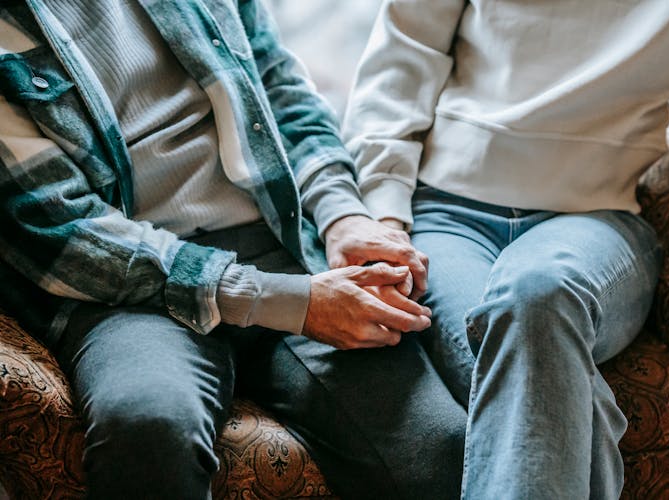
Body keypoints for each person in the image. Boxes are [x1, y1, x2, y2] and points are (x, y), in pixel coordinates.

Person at [0, 1, 466, 499]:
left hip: (277, 239)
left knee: (441, 448)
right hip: (125, 291)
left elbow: (283, 93)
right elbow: (62, 227)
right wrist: (289, 301)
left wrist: (342, 214)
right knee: (148, 427)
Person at [342, 0, 669, 498]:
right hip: (444, 217)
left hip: (597, 217)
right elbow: (403, 60)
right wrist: (385, 215)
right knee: (536, 375)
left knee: (538, 292)